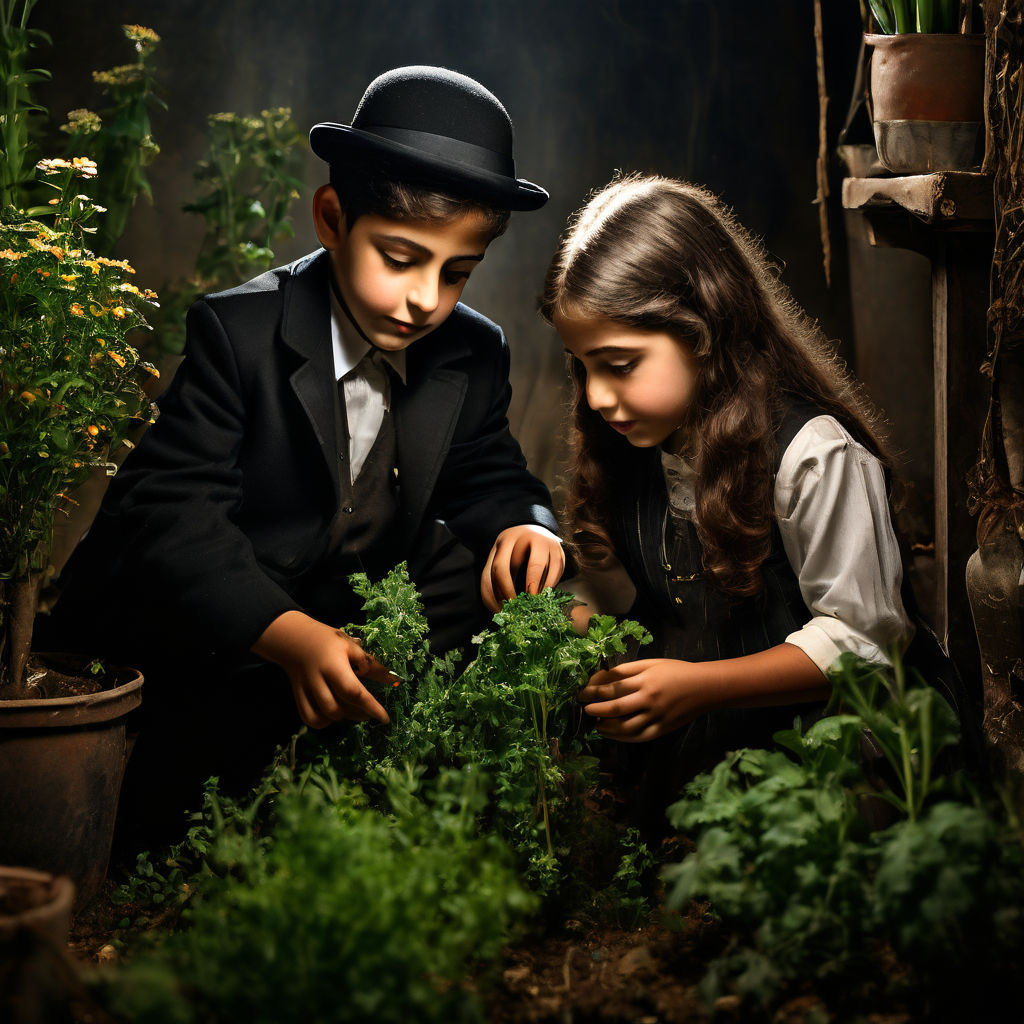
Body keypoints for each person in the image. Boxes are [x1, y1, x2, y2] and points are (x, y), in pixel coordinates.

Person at [44, 66, 564, 840]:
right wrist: (290, 636)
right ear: (331, 219)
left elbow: (485, 469)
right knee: (176, 797)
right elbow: (174, 510)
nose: (427, 298)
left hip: (338, 592)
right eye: (399, 258)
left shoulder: (472, 350)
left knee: (487, 584)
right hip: (218, 618)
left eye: (457, 272)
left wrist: (525, 524)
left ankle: (418, 783)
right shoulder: (241, 332)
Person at [541, 173, 936, 797]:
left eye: (619, 366)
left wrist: (698, 686)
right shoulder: (633, 444)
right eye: (583, 367)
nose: (594, 397)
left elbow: (862, 640)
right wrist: (576, 621)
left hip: (817, 765)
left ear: (702, 332)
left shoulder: (812, 455)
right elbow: (622, 592)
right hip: (697, 768)